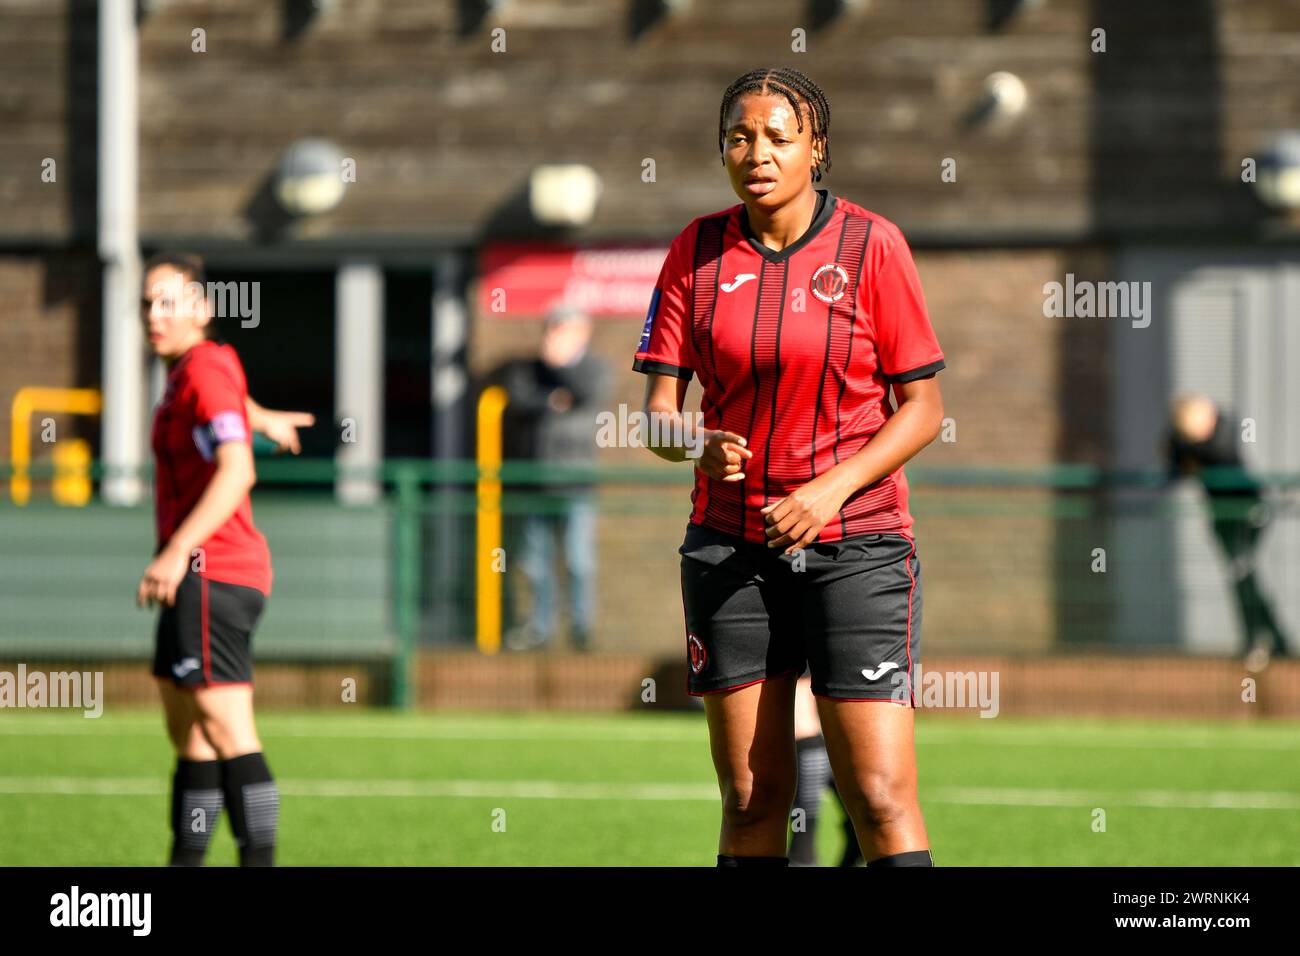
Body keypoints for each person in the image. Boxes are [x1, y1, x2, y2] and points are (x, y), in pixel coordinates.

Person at [635, 67, 946, 867]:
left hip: (859, 549)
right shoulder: (694, 251)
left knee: (878, 798)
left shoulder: (874, 245)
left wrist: (831, 489)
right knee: (751, 800)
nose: (757, 152)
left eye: (779, 137)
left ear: (818, 149)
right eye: (740, 137)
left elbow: (924, 409)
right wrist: (691, 443)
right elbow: (657, 420)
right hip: (730, 551)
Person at [137, 251, 313, 866]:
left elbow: (236, 470)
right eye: (147, 303)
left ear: (203, 309)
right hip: (198, 573)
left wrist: (179, 550)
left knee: (228, 730)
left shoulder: (205, 368)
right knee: (191, 735)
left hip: (214, 569)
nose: (153, 315)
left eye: (168, 301)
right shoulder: (197, 372)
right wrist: (260, 416)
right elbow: (225, 413)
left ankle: (258, 861)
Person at [493, 305, 609, 652]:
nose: (555, 338)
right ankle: (539, 628)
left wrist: (561, 366)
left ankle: (580, 628)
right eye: (553, 330)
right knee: (534, 561)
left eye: (565, 330)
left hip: (576, 482)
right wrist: (552, 395)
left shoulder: (594, 368)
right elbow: (519, 400)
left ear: (582, 334)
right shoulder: (528, 369)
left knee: (578, 560)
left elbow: (587, 393)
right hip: (533, 482)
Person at [1166, 393, 1291, 672]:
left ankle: (1260, 640)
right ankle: (1274, 639)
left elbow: (1217, 453)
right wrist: (1182, 444)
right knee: (1242, 575)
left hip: (1249, 510)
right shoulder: (1181, 440)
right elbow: (1174, 470)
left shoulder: (1224, 427)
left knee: (1242, 571)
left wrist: (1191, 444)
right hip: (1220, 516)